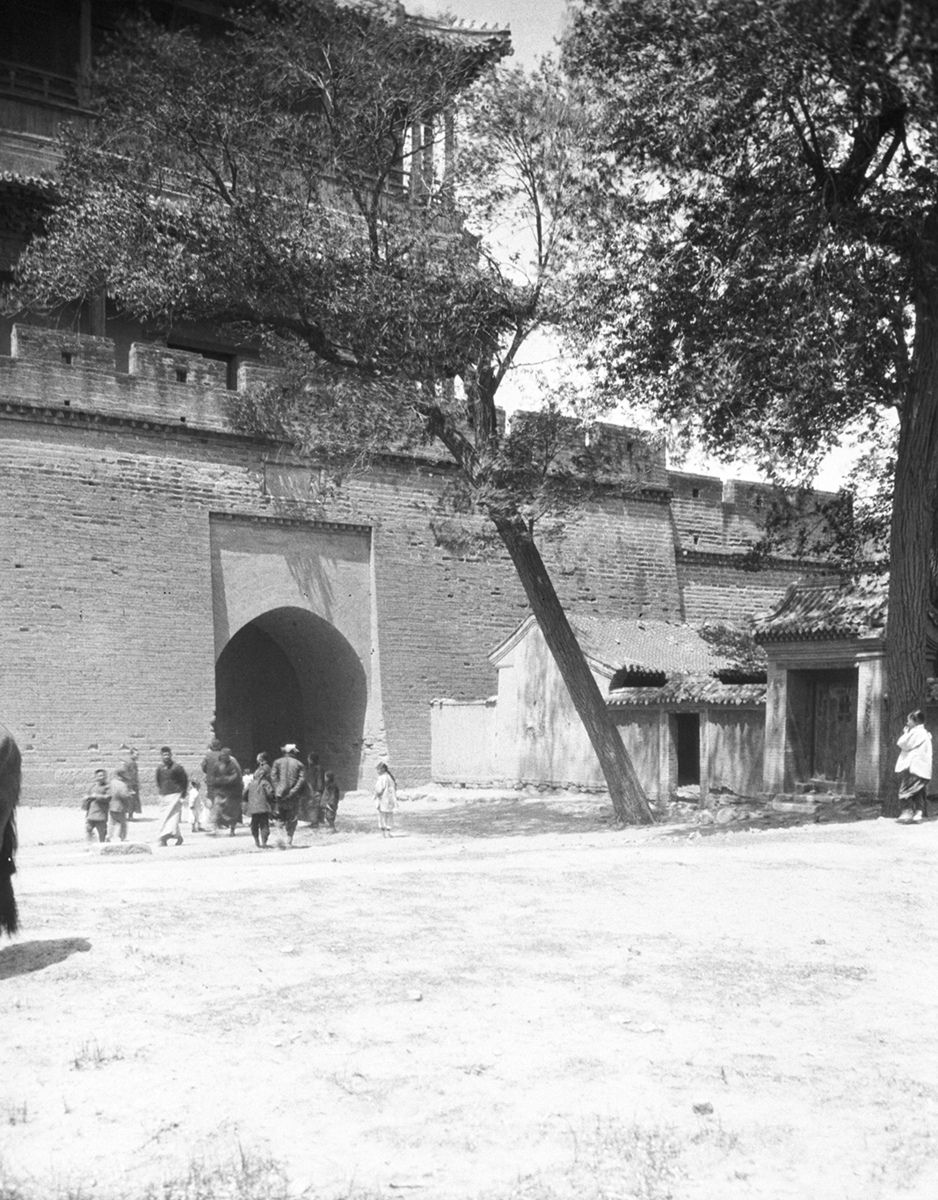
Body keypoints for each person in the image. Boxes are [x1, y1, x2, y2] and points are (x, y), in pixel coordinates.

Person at [895, 709, 933, 824]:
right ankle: (918, 814)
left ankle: (907, 813)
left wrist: (906, 734)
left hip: (914, 768)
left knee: (905, 790)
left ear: (915, 721)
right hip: (922, 768)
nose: (907, 723)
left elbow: (902, 743)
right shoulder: (924, 733)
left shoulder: (916, 732)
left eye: (909, 721)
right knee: (917, 791)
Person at [271, 743, 306, 847]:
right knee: (292, 818)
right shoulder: (300, 764)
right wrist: (293, 791)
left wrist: (278, 789)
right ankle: (288, 840)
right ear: (293, 752)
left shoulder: (277, 762)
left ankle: (280, 838)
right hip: (293, 796)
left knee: (279, 817)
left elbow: (273, 777)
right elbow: (301, 781)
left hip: (279, 795)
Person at [155, 746, 188, 847]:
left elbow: (184, 780)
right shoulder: (160, 769)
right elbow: (158, 781)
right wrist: (162, 792)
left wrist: (183, 794)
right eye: (164, 755)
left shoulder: (177, 768)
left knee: (173, 817)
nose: (166, 757)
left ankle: (164, 837)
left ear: (171, 755)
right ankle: (178, 836)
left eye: (168, 755)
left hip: (175, 794)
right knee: (165, 817)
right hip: (164, 795)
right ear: (161, 756)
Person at [209, 748, 244, 835]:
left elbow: (236, 776)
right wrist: (218, 781)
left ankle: (232, 830)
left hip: (231, 792)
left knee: (232, 812)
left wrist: (225, 780)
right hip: (219, 792)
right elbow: (212, 778)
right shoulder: (216, 765)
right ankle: (214, 829)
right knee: (217, 809)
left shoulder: (232, 765)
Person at [245, 753, 275, 848]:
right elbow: (270, 793)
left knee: (254, 824)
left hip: (253, 807)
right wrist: (273, 800)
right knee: (264, 824)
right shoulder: (265, 781)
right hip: (263, 806)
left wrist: (249, 801)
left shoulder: (251, 783)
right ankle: (264, 842)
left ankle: (257, 841)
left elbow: (244, 794)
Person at [81, 769, 110, 843]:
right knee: (88, 828)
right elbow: (87, 795)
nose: (102, 777)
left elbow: (108, 797)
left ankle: (103, 844)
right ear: (96, 777)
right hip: (91, 812)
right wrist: (86, 799)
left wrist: (96, 796)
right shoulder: (92, 786)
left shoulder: (107, 787)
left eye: (103, 775)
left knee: (102, 832)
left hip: (101, 812)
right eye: (99, 776)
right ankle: (90, 844)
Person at [107, 765, 133, 842]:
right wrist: (130, 795)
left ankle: (108, 836)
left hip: (111, 805)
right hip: (120, 807)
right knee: (123, 823)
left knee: (112, 822)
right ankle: (122, 837)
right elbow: (124, 795)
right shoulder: (122, 785)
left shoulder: (111, 782)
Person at [201, 737, 223, 817]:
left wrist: (208, 772)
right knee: (220, 797)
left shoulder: (208, 755)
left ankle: (209, 815)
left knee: (210, 797)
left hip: (210, 780)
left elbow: (203, 766)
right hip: (221, 780)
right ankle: (218, 817)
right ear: (219, 746)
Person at [374, 762, 397, 838]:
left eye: (378, 769)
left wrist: (376, 796)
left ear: (383, 769)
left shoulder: (382, 778)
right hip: (389, 799)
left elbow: (380, 789)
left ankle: (383, 833)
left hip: (383, 799)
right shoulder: (389, 777)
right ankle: (388, 833)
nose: (377, 771)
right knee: (389, 815)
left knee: (382, 816)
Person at [120, 746, 141, 819]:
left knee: (130, 799)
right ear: (132, 754)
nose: (137, 756)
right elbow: (130, 775)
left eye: (138, 754)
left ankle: (129, 815)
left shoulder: (130, 762)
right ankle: (130, 816)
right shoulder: (131, 763)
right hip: (130, 783)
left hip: (130, 783)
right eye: (136, 754)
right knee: (131, 799)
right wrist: (131, 785)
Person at [306, 751, 325, 827]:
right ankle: (315, 821)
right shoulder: (313, 768)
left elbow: (319, 780)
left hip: (315, 790)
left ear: (312, 760)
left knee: (315, 806)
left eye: (309, 759)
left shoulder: (318, 768)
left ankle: (315, 823)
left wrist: (318, 790)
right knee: (314, 806)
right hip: (313, 789)